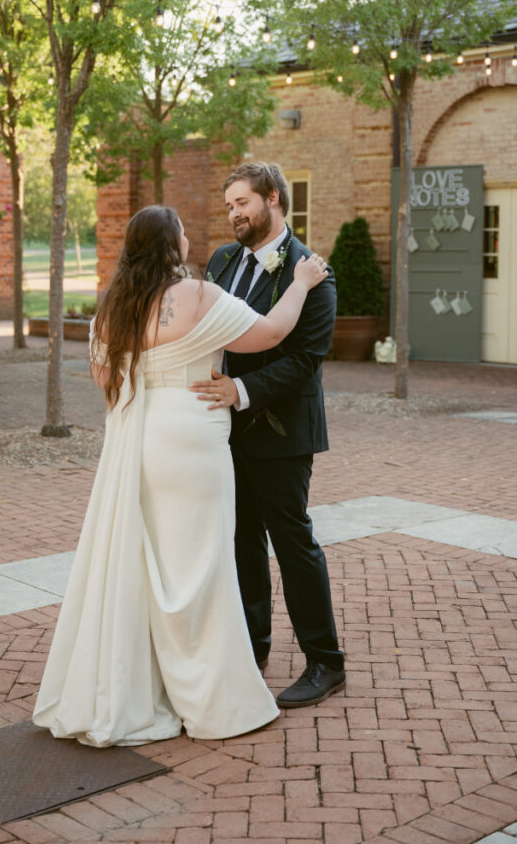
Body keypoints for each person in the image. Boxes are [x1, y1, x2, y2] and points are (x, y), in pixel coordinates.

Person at [32, 204, 329, 746]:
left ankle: (150, 687)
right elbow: (268, 334)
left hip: (143, 442)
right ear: (173, 245)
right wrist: (303, 282)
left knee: (152, 566)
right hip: (194, 440)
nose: (193, 238)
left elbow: (104, 378)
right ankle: (208, 696)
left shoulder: (114, 305)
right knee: (203, 566)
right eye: (185, 232)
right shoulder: (196, 295)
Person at [191, 162, 345, 708]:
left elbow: (305, 359)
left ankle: (326, 662)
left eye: (243, 203)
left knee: (293, 544)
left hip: (282, 433)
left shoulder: (312, 272)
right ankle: (252, 647)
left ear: (272, 199)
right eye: (229, 204)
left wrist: (242, 390)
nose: (234, 213)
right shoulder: (222, 261)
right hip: (224, 432)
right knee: (241, 543)